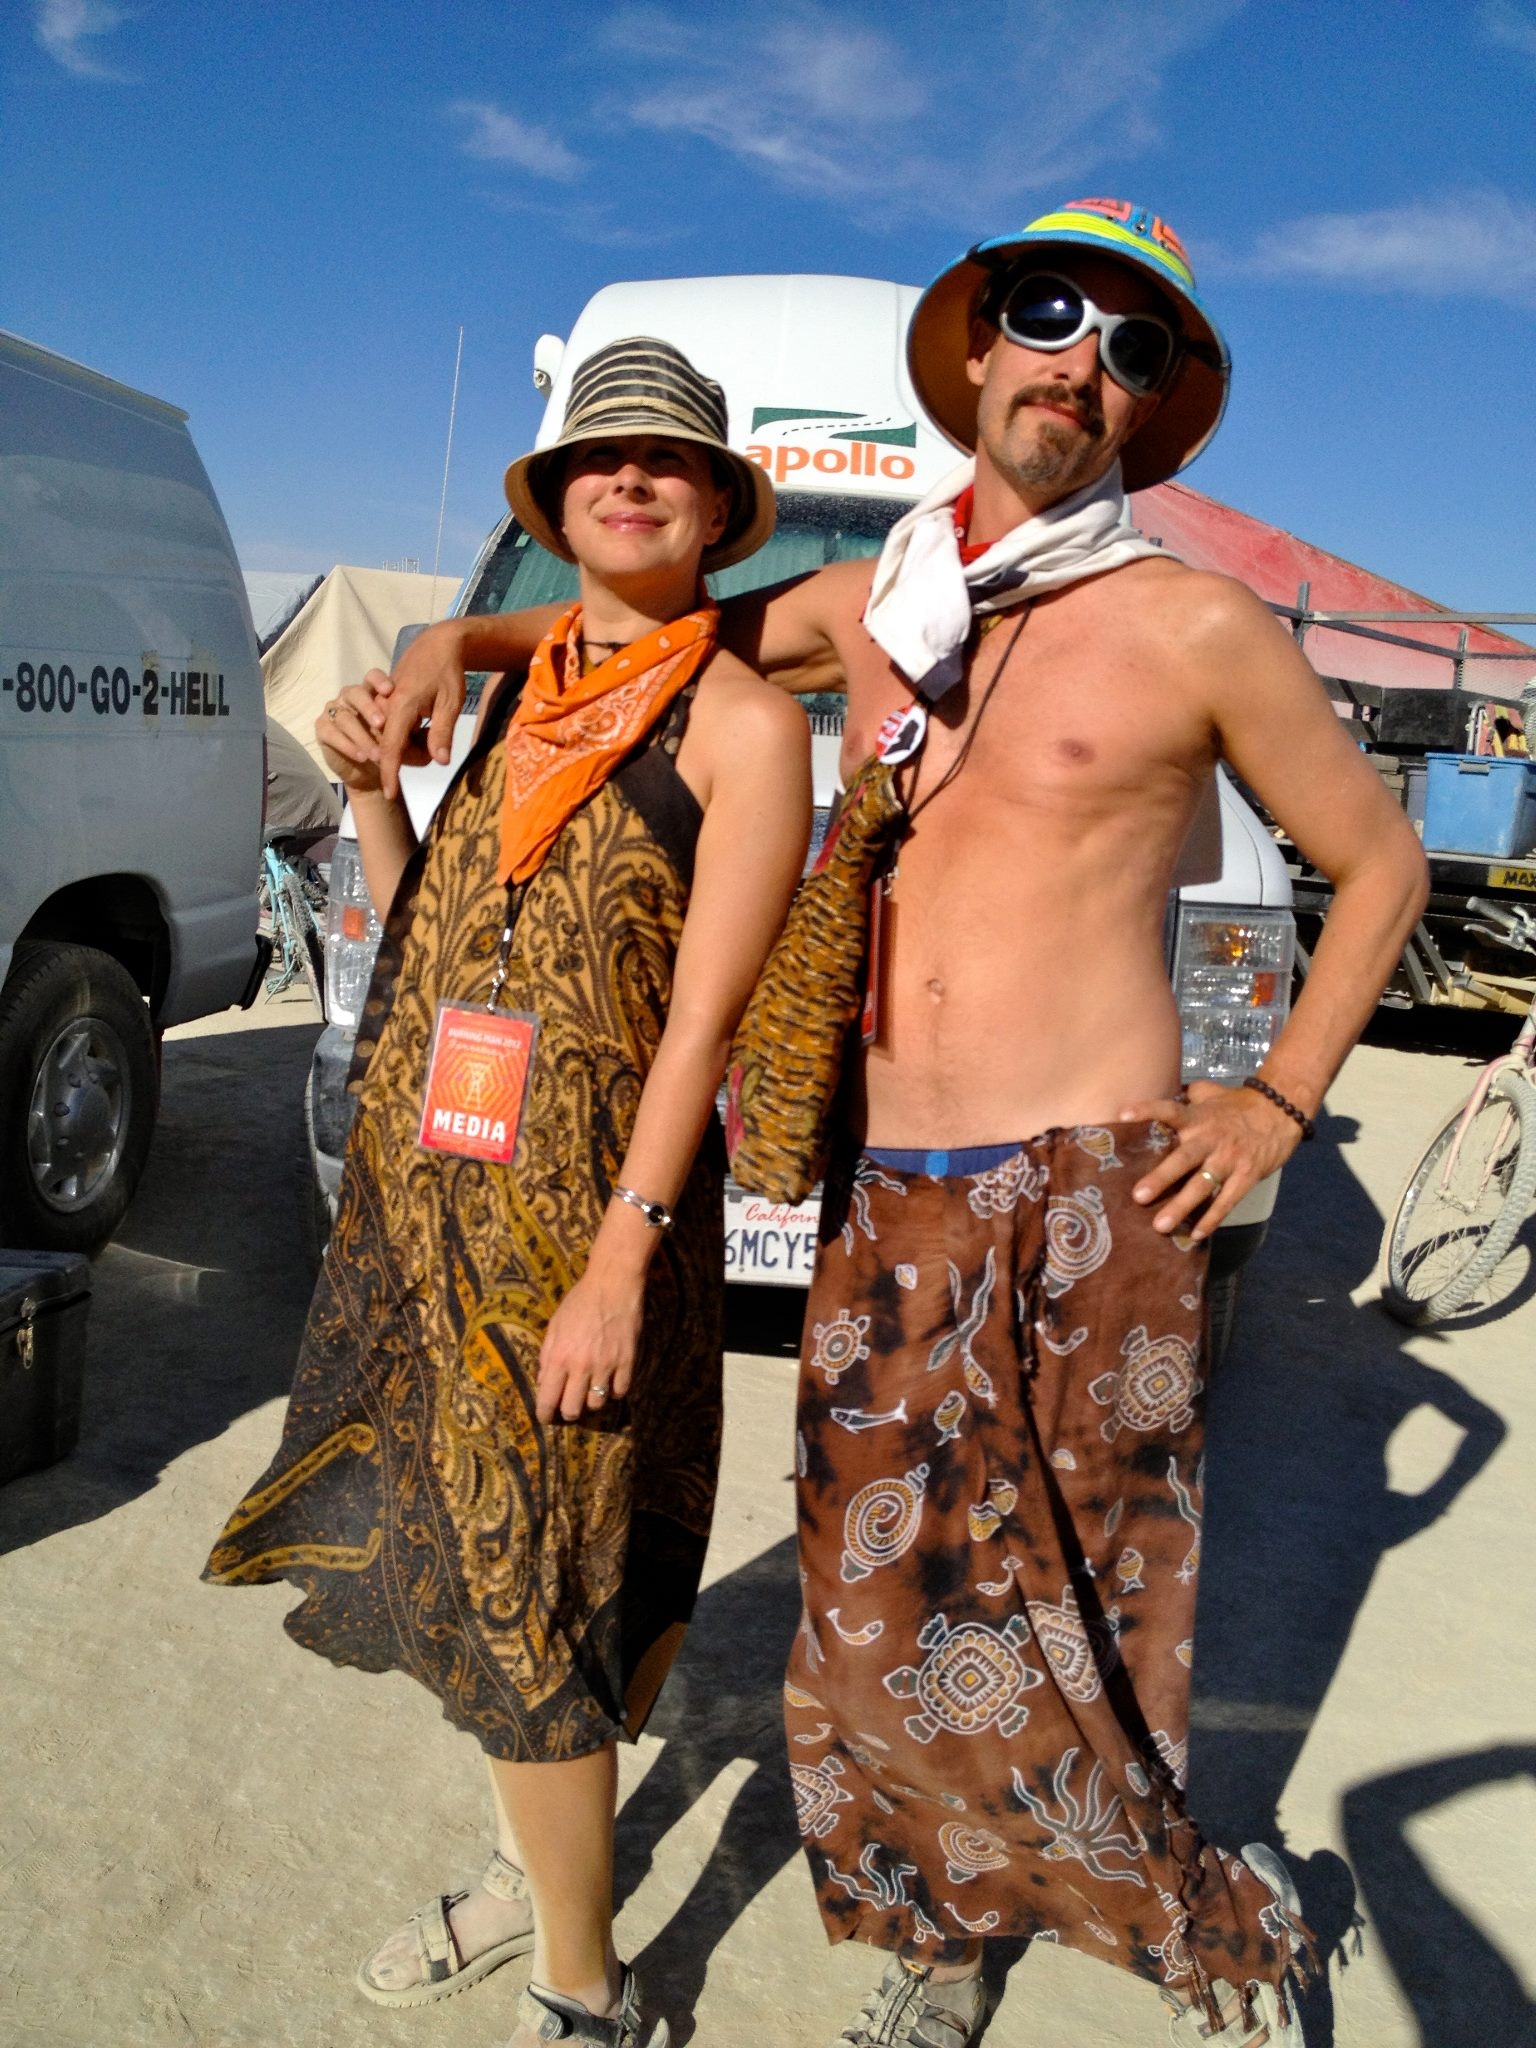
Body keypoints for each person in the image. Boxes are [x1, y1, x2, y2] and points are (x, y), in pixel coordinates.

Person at [367, 201, 1430, 2047]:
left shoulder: (1195, 622)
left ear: (1150, 412)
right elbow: (658, 636)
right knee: (891, 1617)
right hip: (882, 1185)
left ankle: (969, 1953)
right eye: (1048, 315)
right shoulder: (880, 602)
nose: (1081, 362)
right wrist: (458, 635)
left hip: (1093, 1181)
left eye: (1132, 349)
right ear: (976, 355)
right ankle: (942, 1894)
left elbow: (1383, 860)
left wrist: (1274, 1098)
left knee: (1083, 1608)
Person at [204, 338, 811, 2048]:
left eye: (666, 464)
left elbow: (701, 1023)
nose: (629, 479)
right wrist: (377, 798)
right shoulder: (526, 695)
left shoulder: (744, 722)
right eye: (596, 461)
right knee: (482, 1583)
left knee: (541, 1594)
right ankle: (538, 1873)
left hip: (584, 1239)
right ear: (556, 504)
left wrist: (625, 1260)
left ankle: (582, 1985)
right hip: (432, 1220)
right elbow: (430, 941)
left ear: (714, 511)